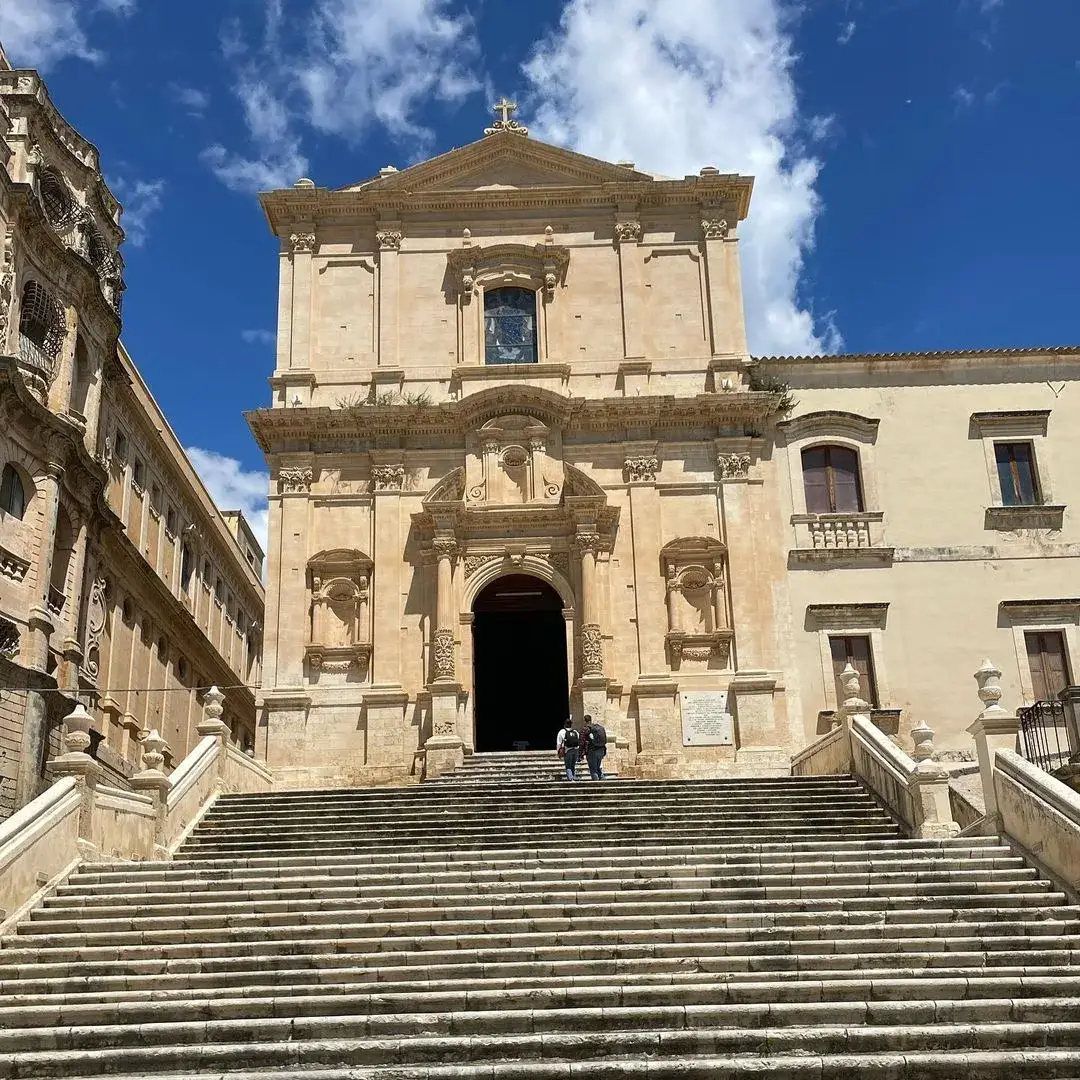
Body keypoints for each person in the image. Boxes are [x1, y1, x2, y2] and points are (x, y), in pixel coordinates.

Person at [583, 714, 607, 780]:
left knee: (593, 768)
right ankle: (603, 779)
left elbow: (587, 740)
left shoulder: (588, 729)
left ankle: (596, 784)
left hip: (593, 750)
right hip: (601, 750)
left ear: (585, 721)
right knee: (597, 767)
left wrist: (581, 753)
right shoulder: (599, 728)